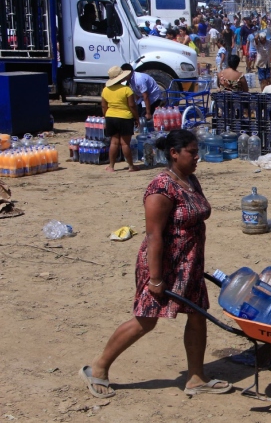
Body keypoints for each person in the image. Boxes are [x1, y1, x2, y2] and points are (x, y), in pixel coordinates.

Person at [80, 130, 234, 399]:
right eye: (192, 152)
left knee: (197, 316)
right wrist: (155, 278)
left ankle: (196, 378)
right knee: (146, 320)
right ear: (174, 153)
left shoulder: (189, 180)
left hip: (190, 264)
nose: (197, 157)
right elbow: (153, 235)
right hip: (162, 266)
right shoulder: (161, 187)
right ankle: (98, 368)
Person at [101, 66, 139, 173]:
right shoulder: (127, 90)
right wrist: (137, 118)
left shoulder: (105, 90)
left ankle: (111, 166)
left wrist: (106, 117)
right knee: (125, 144)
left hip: (110, 117)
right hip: (125, 117)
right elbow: (132, 106)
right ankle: (131, 166)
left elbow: (104, 106)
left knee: (114, 143)